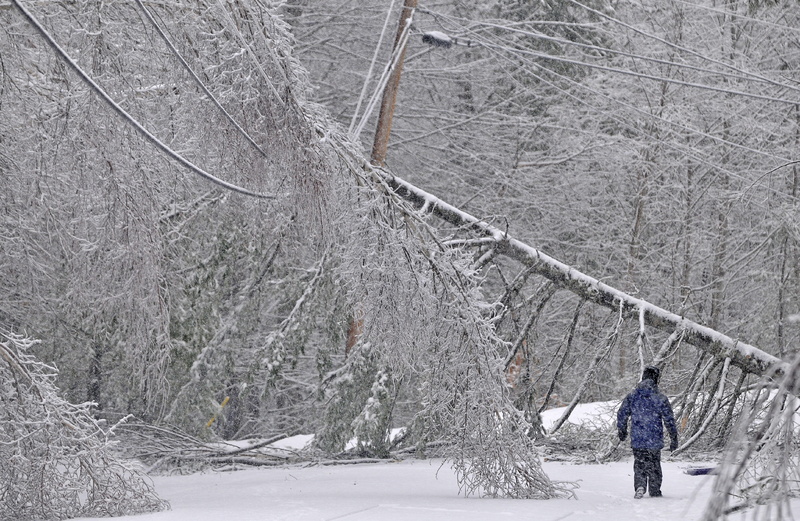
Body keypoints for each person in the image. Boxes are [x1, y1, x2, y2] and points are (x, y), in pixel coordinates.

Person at [617, 365, 679, 499]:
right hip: (654, 438)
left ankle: (640, 486)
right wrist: (674, 438)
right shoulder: (660, 398)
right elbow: (669, 419)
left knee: (639, 464)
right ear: (656, 379)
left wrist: (622, 430)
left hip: (638, 438)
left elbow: (622, 413)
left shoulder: (633, 396)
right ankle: (655, 490)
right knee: (654, 464)